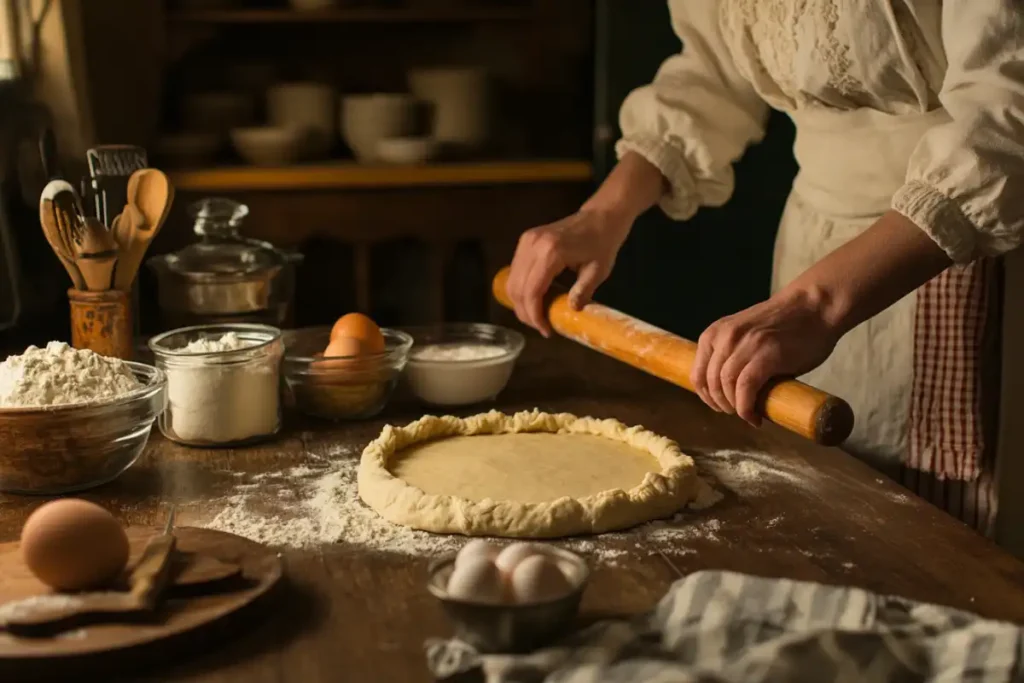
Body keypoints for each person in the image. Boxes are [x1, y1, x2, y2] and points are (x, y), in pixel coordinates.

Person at [505, 1, 1023, 537]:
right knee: (837, 520)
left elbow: (1006, 116)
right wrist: (603, 213)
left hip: (950, 245)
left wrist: (816, 304)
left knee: (938, 555)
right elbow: (712, 71)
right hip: (811, 250)